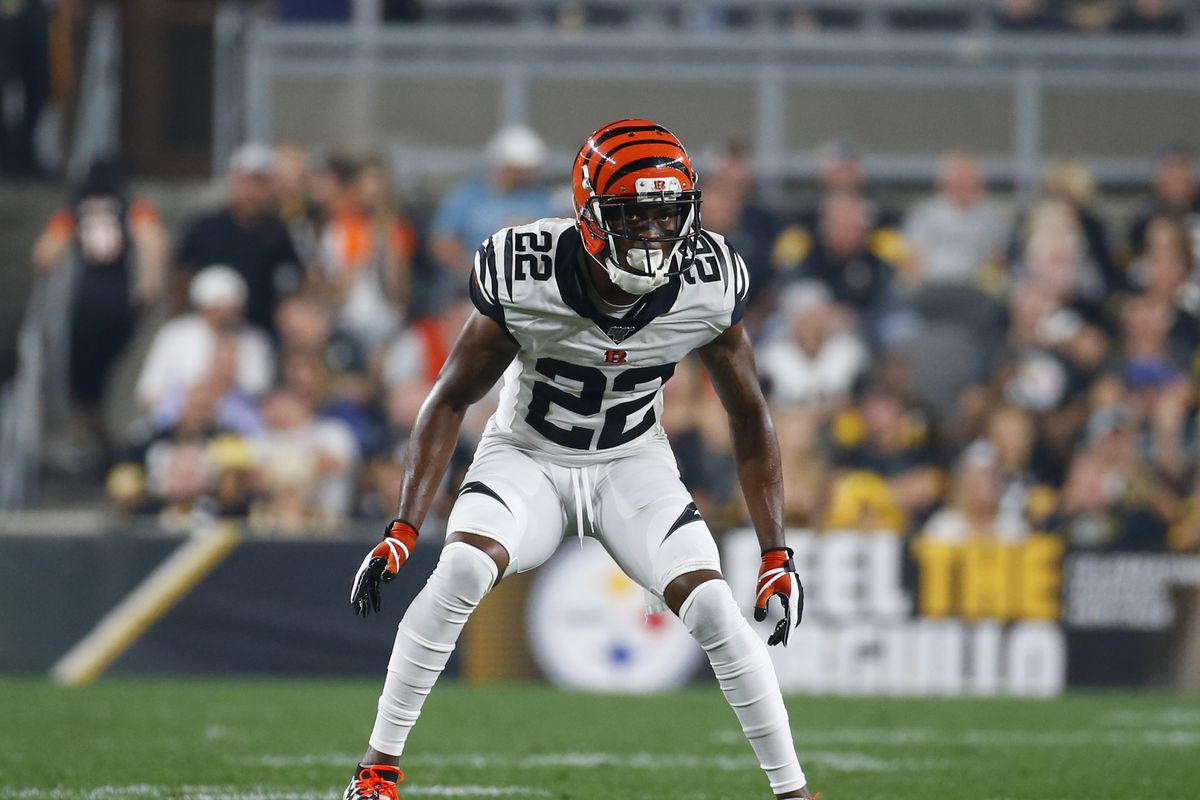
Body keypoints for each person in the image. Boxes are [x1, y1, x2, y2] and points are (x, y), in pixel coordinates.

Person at [342, 120, 813, 800]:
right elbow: (449, 398)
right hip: (526, 455)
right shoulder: (526, 269)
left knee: (714, 605)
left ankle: (794, 793)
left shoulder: (709, 279)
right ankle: (377, 770)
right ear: (589, 215)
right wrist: (404, 527)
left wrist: (775, 553)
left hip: (631, 461)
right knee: (465, 566)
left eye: (667, 214)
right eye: (634, 215)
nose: (653, 233)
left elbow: (748, 414)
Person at [174, 143, 305, 337]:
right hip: (206, 332)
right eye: (245, 181)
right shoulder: (205, 226)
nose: (251, 190)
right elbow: (181, 274)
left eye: (259, 183)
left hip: (259, 333)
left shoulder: (278, 232)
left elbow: (294, 278)